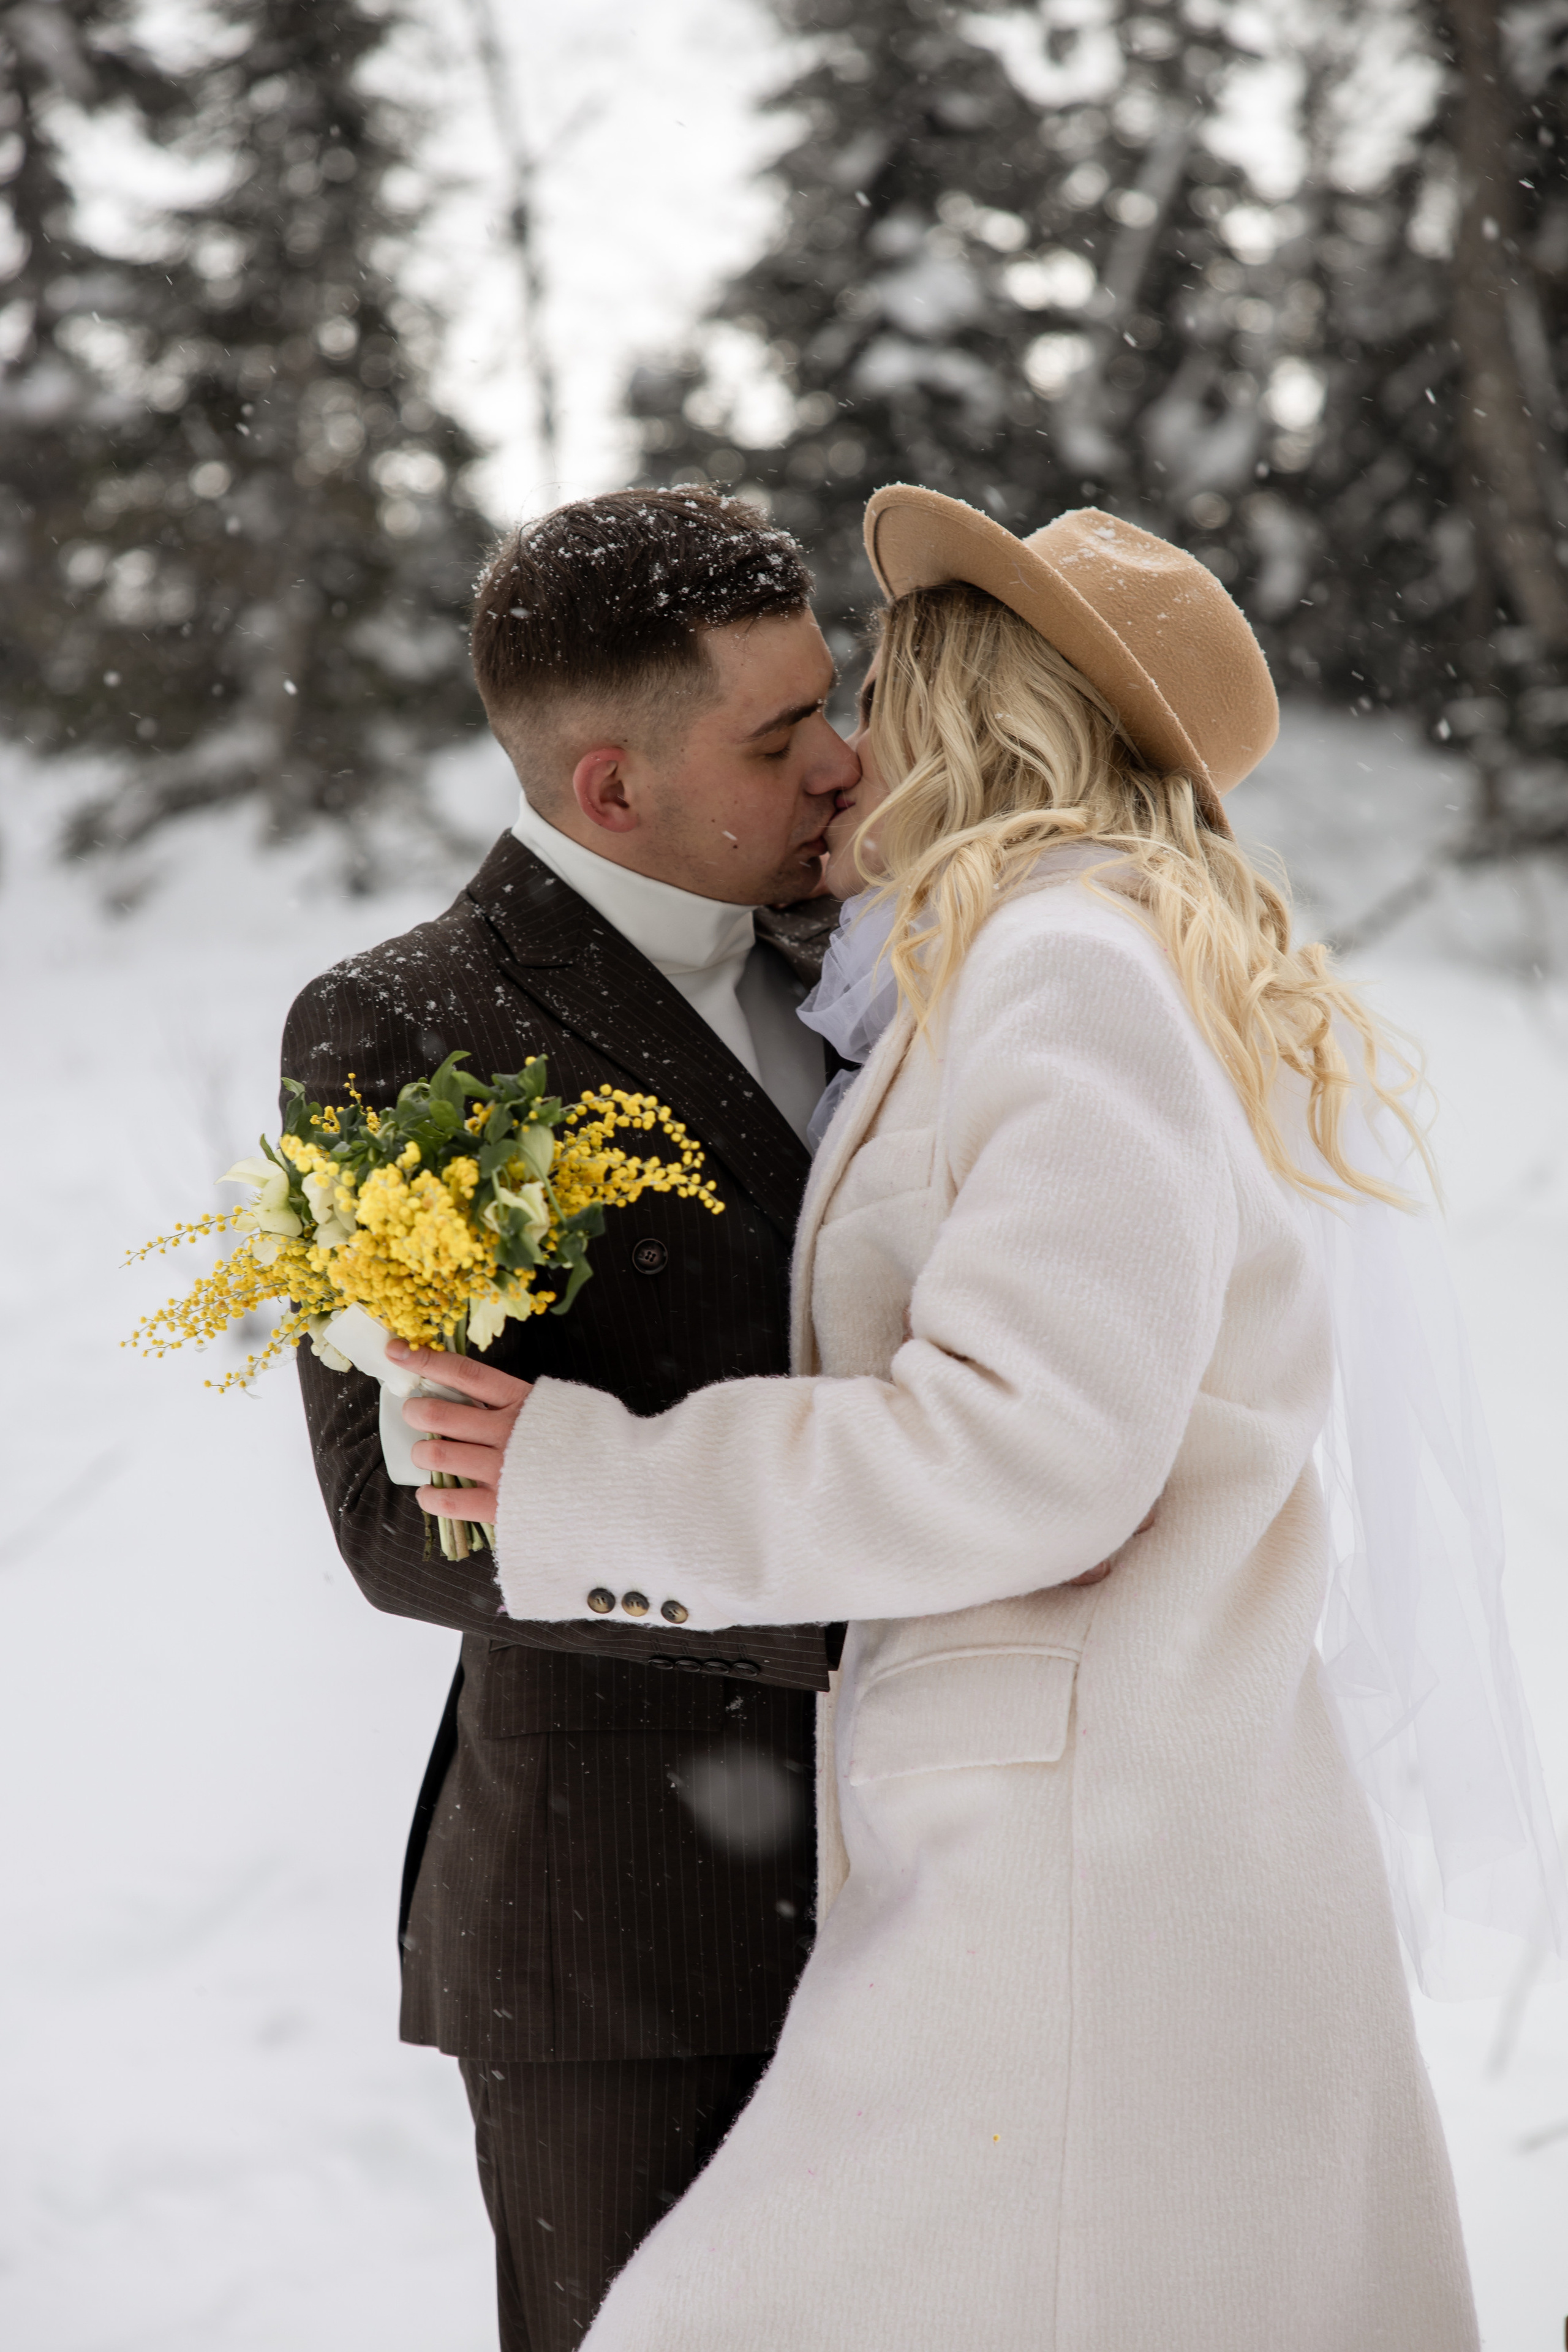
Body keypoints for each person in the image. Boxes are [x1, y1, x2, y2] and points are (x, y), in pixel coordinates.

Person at [398, 486, 1567, 2349]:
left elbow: (1031, 1444)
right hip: (1099, 1819)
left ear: (970, 706)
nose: (848, 750)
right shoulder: (1051, 958)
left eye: (877, 693)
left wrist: (597, 1481)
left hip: (1073, 1855)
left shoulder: (1067, 966)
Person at [281, 487, 862, 2352]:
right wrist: (885, 1612)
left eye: (828, 705)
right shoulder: (404, 1030)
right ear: (610, 791)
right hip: (627, 1947)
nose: (846, 766)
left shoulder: (868, 965)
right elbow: (408, 1518)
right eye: (780, 742)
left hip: (937, 1892)